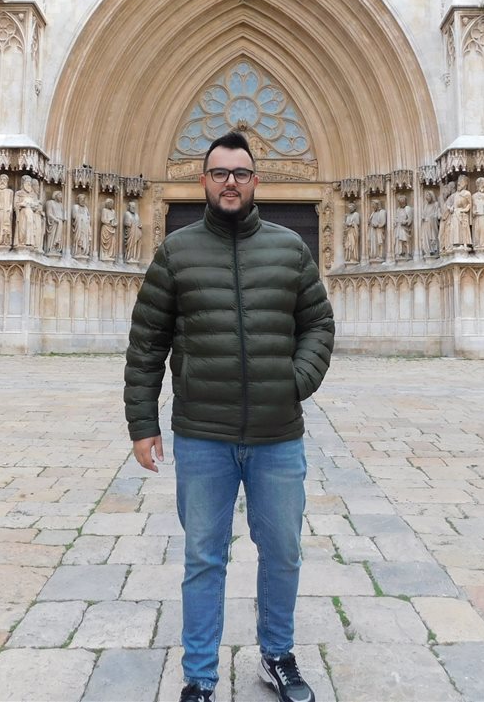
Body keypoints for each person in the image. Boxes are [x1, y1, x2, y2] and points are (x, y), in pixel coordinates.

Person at [124, 131, 335, 702]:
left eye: (240, 172)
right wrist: (142, 424)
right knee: (203, 558)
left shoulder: (291, 247)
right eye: (220, 173)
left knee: (284, 551)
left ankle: (277, 655)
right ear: (204, 181)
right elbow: (147, 343)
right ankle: (199, 677)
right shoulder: (176, 251)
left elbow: (319, 324)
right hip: (203, 435)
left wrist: (295, 382)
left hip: (277, 435)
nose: (230, 182)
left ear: (256, 179)